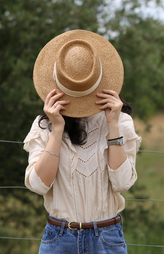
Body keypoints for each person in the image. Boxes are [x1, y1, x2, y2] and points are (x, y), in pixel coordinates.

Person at [24, 30, 142, 254]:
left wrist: (113, 125)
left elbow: (122, 183)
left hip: (107, 238)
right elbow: (39, 185)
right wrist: (57, 128)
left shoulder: (121, 121)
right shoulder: (44, 125)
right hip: (59, 238)